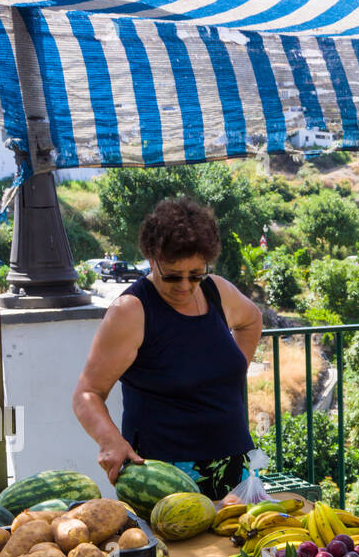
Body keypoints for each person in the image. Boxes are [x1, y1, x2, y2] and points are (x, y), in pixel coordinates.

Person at [74, 197, 264, 497]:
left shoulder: (216, 291)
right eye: (173, 275)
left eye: (196, 275)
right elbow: (87, 394)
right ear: (152, 259)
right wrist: (109, 439)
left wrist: (231, 371)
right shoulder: (131, 311)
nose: (186, 286)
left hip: (235, 467)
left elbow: (252, 320)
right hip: (164, 479)